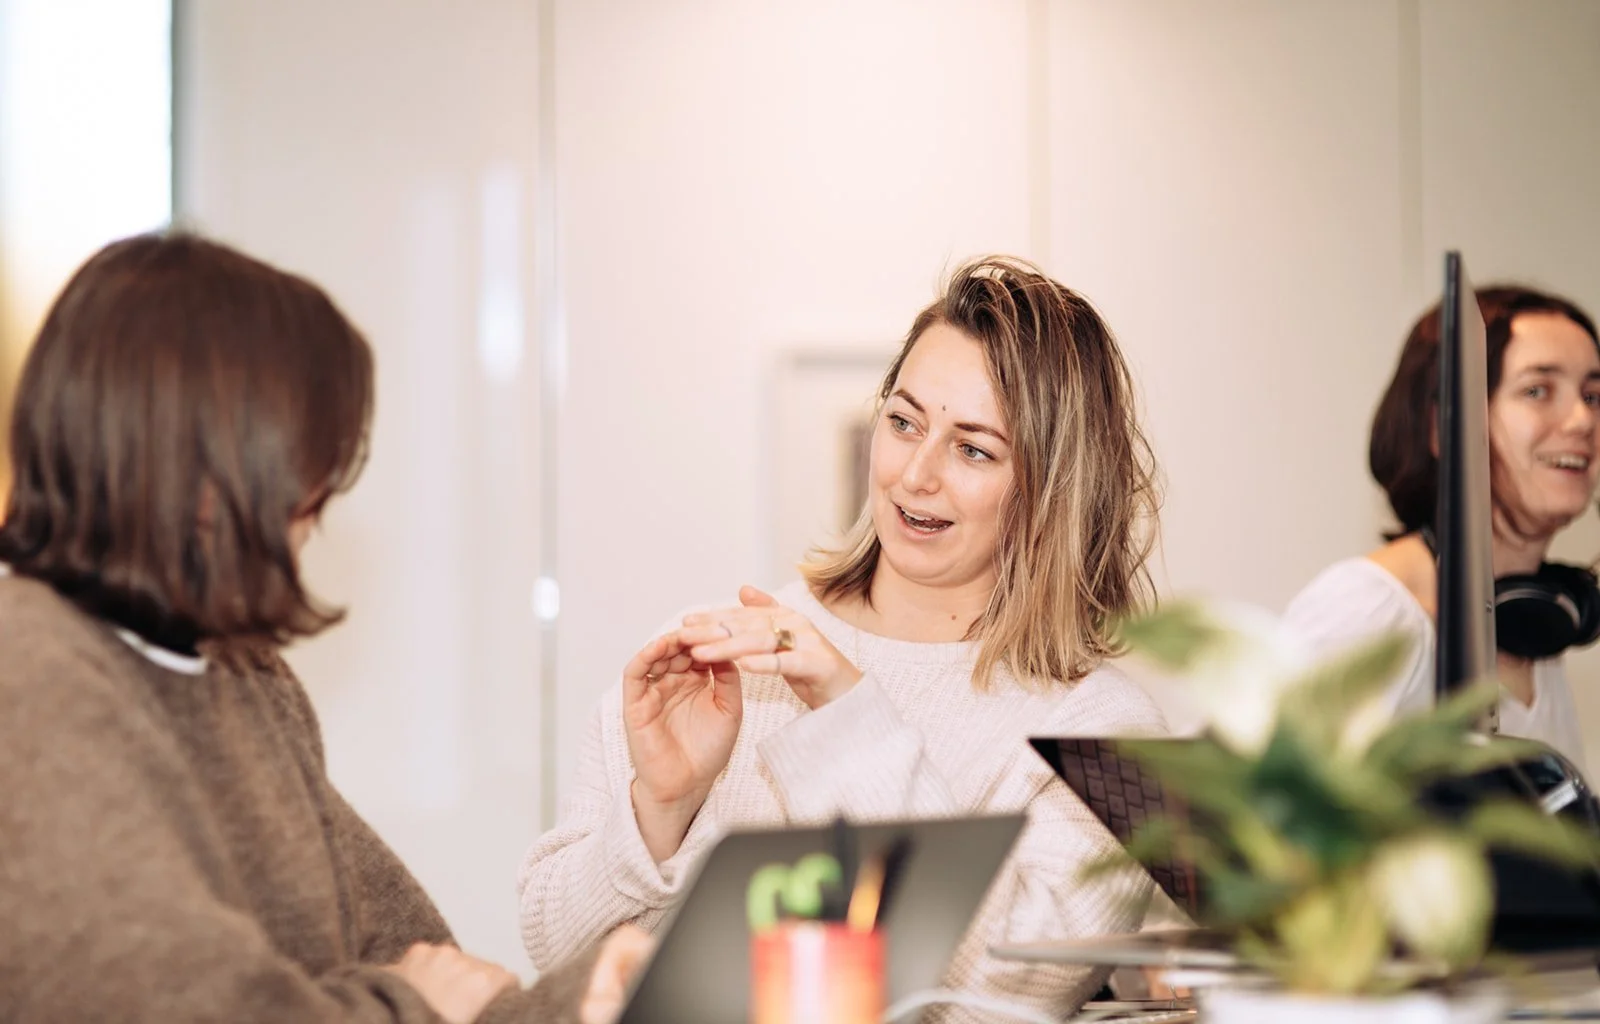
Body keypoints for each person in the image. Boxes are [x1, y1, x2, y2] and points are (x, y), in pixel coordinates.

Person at [0, 232, 650, 1024]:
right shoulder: (29, 673)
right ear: (209, 464)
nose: (320, 502)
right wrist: (406, 1001)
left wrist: (595, 997)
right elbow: (186, 1005)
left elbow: (432, 974)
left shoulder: (248, 678)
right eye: (306, 465)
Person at [518, 256, 1169, 1019]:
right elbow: (556, 959)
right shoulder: (720, 657)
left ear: (1055, 489)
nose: (915, 474)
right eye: (903, 422)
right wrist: (660, 809)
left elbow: (1002, 1000)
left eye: (973, 449)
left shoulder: (1107, 735)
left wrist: (847, 718)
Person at [1283, 285, 1600, 766]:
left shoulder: (1540, 627)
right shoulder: (1374, 611)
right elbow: (1213, 806)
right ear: (1443, 427)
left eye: (1593, 395)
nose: (1582, 420)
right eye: (1537, 390)